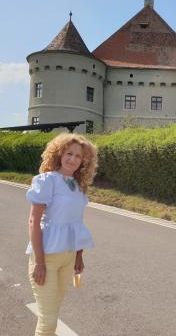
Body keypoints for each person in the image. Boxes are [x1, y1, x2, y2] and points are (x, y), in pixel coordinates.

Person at [26, 133, 97, 336]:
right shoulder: (47, 180)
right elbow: (33, 221)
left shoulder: (79, 186)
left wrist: (78, 255)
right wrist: (39, 262)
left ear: (84, 161)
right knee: (48, 321)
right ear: (59, 154)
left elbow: (76, 223)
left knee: (51, 314)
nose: (73, 159)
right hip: (46, 258)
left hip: (68, 258)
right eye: (69, 153)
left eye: (78, 156)